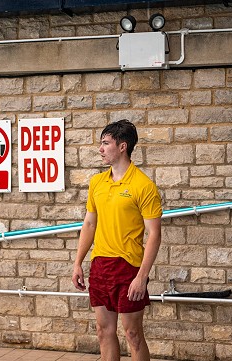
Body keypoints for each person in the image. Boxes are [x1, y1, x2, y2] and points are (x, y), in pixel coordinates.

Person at [72, 119, 162, 361]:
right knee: (103, 332)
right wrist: (78, 262)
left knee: (133, 334)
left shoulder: (143, 185)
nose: (100, 149)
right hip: (100, 265)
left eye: (105, 143)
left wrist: (141, 277)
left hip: (129, 268)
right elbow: (89, 224)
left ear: (123, 147)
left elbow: (154, 234)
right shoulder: (97, 183)